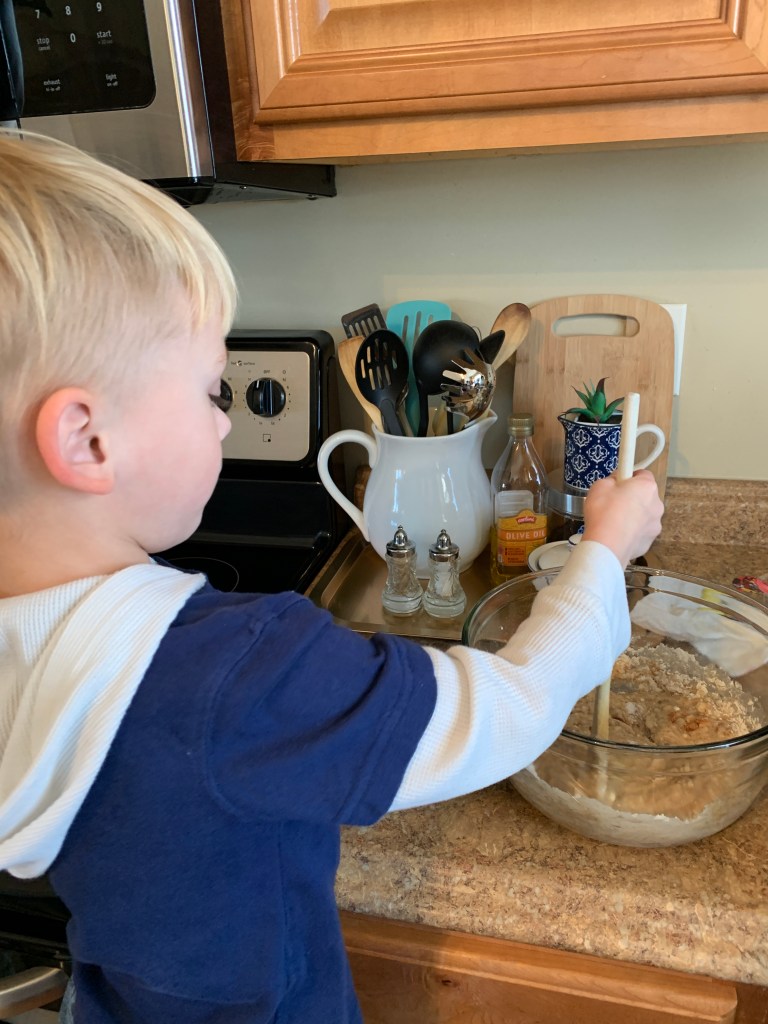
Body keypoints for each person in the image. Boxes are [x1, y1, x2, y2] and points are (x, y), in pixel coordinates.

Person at [0, 128, 664, 1024]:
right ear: (87, 440)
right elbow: (508, 709)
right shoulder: (236, 674)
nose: (225, 423)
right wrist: (604, 551)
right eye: (211, 390)